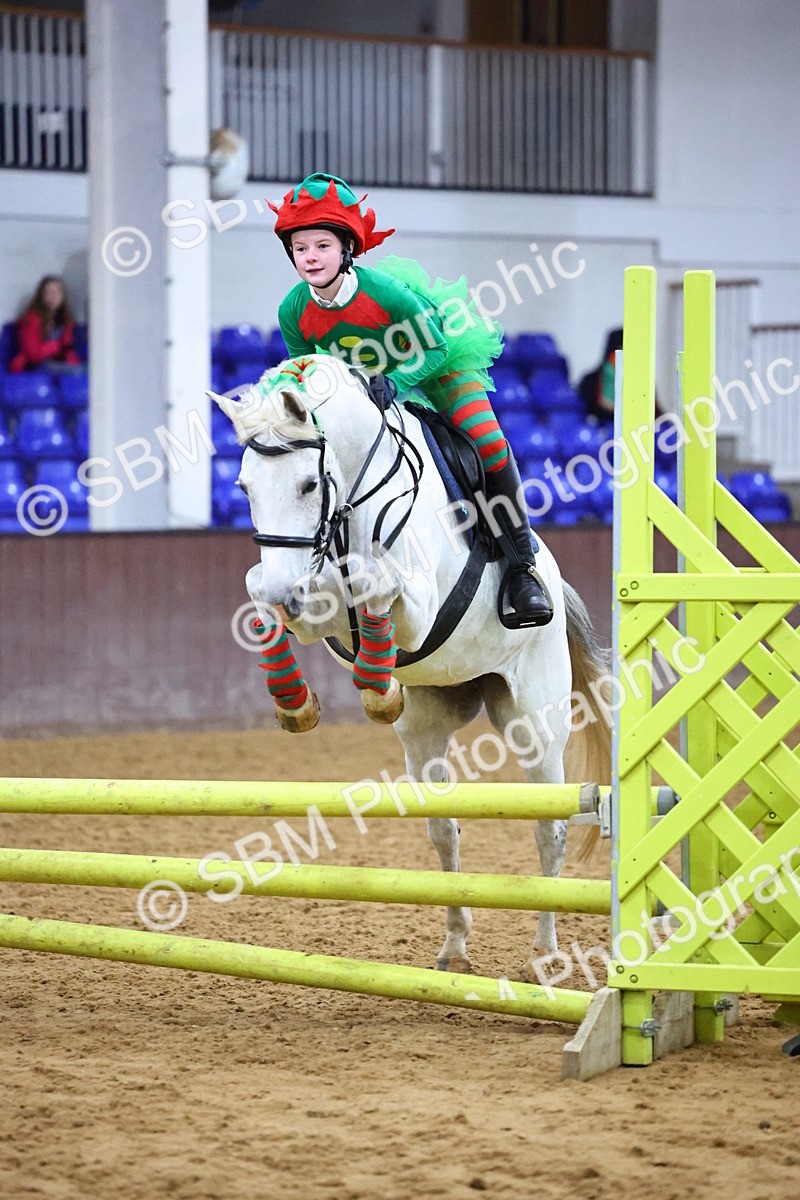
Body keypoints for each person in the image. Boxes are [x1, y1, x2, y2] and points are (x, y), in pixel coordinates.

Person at [269, 172, 553, 630]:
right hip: (367, 387)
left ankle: (522, 569)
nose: (310, 257)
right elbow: (305, 374)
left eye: (321, 246)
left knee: (488, 442)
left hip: (437, 367)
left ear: (345, 249)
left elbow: (436, 348)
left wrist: (396, 383)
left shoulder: (385, 293)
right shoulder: (292, 309)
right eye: (300, 248)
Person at [9, 276, 82, 374]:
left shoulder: (66, 318)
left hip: (56, 362)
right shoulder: (32, 318)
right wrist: (59, 346)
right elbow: (33, 354)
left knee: (87, 370)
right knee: (77, 372)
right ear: (41, 296)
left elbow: (68, 347)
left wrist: (73, 361)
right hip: (33, 365)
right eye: (49, 292)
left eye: (58, 291)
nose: (54, 296)